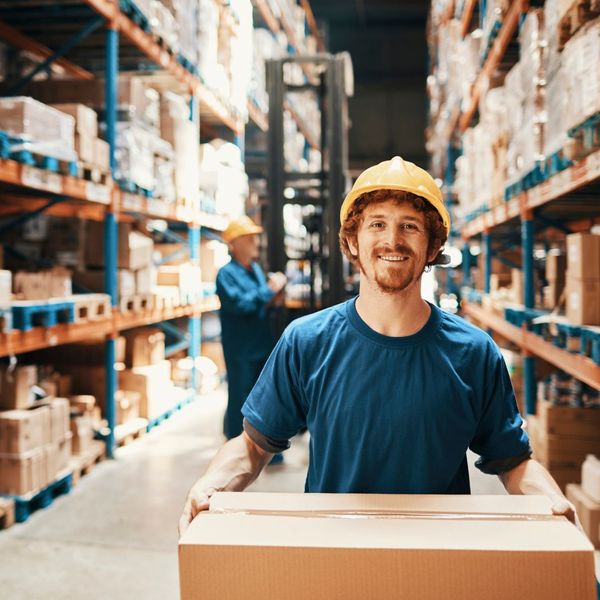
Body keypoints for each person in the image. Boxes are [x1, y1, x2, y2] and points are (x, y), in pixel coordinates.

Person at [180, 156, 578, 535]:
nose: (392, 240)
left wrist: (552, 501)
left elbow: (512, 461)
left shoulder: (473, 352)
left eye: (409, 226)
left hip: (441, 559)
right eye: (376, 225)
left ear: (433, 247)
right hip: (335, 557)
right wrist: (209, 484)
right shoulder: (308, 342)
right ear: (352, 241)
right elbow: (253, 446)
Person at [216, 216, 287, 441]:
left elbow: (259, 302)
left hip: (261, 343)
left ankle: (266, 449)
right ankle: (237, 446)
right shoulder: (226, 274)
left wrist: (274, 299)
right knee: (240, 396)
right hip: (241, 349)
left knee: (264, 398)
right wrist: (269, 290)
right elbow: (241, 305)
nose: (255, 243)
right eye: (249, 239)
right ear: (234, 244)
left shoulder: (255, 269)